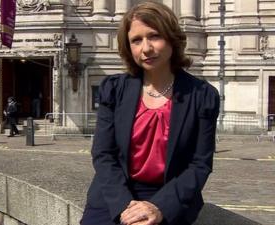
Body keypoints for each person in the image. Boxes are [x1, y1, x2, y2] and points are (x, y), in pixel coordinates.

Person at [81, 2, 220, 225]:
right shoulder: (114, 89)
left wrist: (160, 206)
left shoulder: (202, 95)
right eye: (136, 40)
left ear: (172, 39)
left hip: (171, 195)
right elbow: (103, 154)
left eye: (154, 36)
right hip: (115, 193)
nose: (145, 48)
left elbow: (200, 164)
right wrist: (126, 207)